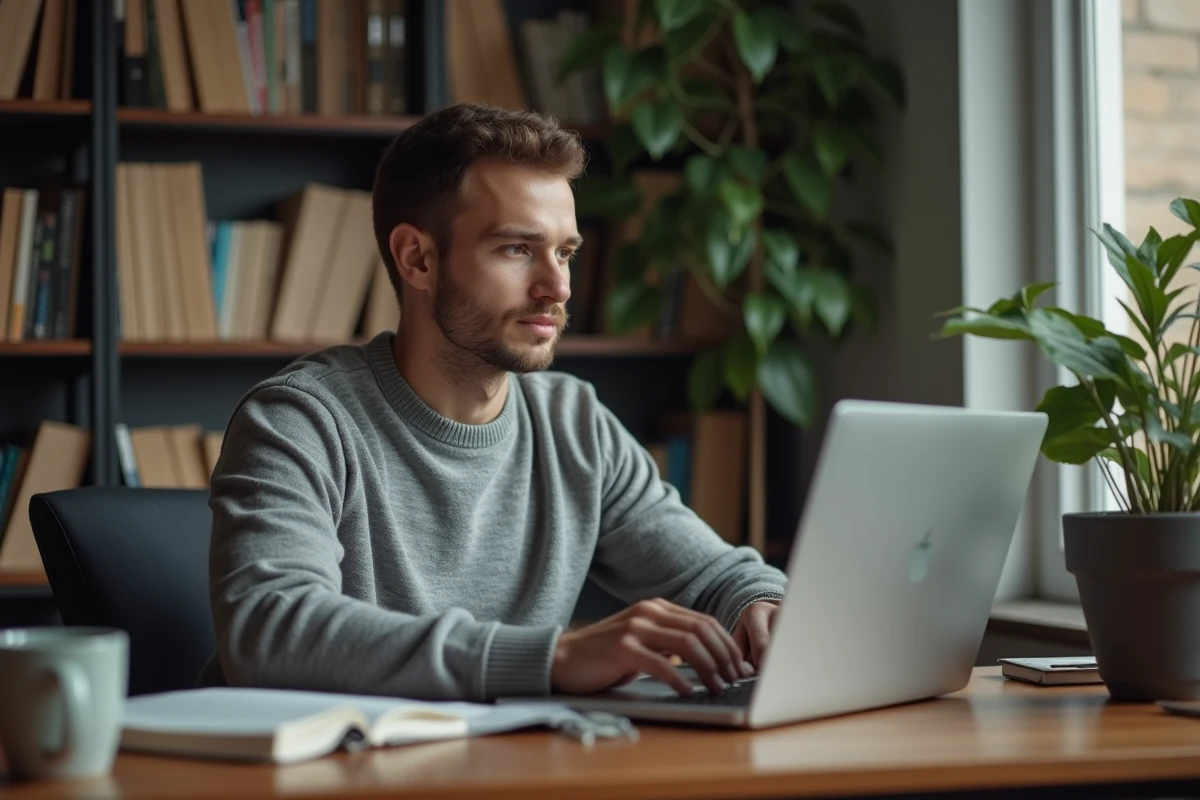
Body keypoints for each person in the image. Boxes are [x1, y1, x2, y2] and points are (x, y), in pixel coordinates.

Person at [200, 103, 788, 702]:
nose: (557, 288)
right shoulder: (299, 421)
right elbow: (269, 631)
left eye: (565, 253)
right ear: (417, 259)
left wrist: (762, 606)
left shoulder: (574, 425)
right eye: (516, 249)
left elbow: (715, 575)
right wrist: (549, 657)